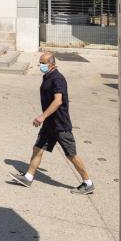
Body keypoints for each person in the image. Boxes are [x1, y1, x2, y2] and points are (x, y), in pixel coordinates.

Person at [11, 51, 94, 194]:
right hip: (49, 124)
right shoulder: (47, 76)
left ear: (52, 64)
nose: (40, 65)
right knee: (37, 148)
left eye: (43, 63)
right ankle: (28, 177)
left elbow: (58, 101)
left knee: (71, 155)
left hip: (60, 124)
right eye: (40, 62)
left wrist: (42, 116)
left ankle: (88, 183)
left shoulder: (58, 79)